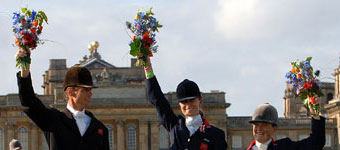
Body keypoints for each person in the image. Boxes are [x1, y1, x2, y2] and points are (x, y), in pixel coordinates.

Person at [16, 48, 109, 150]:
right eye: (85, 90)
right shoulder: (54, 120)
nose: (90, 94)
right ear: (70, 92)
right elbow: (29, 101)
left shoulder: (100, 128)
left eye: (90, 90)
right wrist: (24, 67)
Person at [143, 57, 227, 150]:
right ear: (179, 104)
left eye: (191, 100)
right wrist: (147, 66)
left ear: (200, 101)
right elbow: (158, 99)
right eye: (184, 101)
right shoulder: (174, 126)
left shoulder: (216, 134)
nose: (188, 105)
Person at [247, 103, 325, 150]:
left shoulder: (285, 147)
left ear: (274, 128)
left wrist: (315, 114)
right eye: (256, 125)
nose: (259, 129)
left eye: (264, 125)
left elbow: (316, 143)